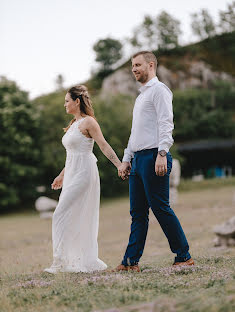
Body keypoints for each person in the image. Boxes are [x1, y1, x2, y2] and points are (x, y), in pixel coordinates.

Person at [115, 51, 194, 272]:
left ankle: (184, 256)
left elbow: (166, 123)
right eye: (132, 66)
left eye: (138, 65)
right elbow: (135, 133)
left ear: (151, 65)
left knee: (160, 208)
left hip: (153, 157)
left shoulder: (160, 91)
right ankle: (131, 262)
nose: (134, 69)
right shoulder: (141, 96)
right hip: (137, 160)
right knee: (137, 213)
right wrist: (126, 159)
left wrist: (162, 154)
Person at [44, 85, 122, 274]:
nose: (65, 104)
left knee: (60, 213)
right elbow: (71, 155)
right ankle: (75, 260)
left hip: (84, 172)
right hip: (71, 172)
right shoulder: (72, 125)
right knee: (72, 215)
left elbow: (103, 145)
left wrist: (119, 165)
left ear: (77, 101)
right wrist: (61, 175)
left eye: (67, 101)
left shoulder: (89, 122)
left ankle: (59, 262)